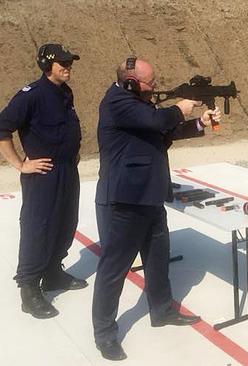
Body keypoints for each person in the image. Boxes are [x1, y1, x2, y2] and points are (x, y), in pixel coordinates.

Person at [92, 56, 221, 361]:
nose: (155, 87)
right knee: (114, 269)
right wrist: (180, 108)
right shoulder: (117, 102)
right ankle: (105, 334)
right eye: (150, 83)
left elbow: (164, 133)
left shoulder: (138, 102)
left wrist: (199, 123)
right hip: (125, 200)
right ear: (131, 82)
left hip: (149, 195)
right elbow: (158, 121)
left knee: (158, 258)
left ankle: (161, 310)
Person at [0, 43, 87, 320]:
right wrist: (20, 164)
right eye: (62, 63)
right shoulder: (31, 95)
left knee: (66, 222)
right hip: (42, 174)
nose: (68, 67)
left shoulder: (65, 92)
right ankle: (29, 288)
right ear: (47, 65)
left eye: (70, 62)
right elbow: (3, 127)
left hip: (66, 170)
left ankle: (52, 273)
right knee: (38, 228)